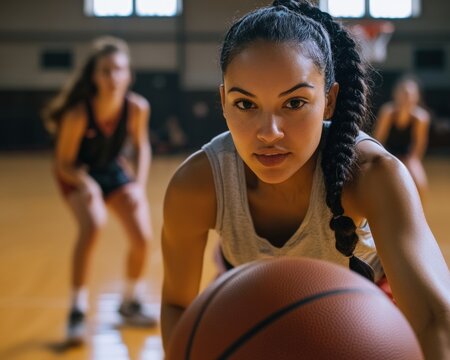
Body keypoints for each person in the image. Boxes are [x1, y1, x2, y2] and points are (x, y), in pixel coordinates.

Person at [160, 1, 450, 358]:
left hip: (371, 320)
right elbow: (177, 305)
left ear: (329, 101)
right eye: (246, 104)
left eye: (294, 103)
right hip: (255, 305)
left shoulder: (373, 175)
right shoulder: (196, 185)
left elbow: (434, 320)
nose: (269, 133)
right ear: (223, 101)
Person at [42, 36, 156, 345]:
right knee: (93, 225)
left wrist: (137, 186)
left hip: (111, 169)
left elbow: (142, 147)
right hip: (76, 173)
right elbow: (63, 163)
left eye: (118, 70)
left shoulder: (136, 108)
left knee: (143, 237)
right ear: (94, 76)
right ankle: (77, 310)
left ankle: (130, 303)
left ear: (128, 74)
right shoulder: (78, 114)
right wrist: (86, 183)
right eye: (105, 70)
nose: (112, 77)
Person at [374, 75, 430, 203]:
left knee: (420, 182)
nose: (407, 98)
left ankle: (416, 214)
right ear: (396, 94)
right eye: (404, 94)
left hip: (408, 155)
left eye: (410, 94)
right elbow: (378, 141)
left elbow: (419, 146)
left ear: (417, 97)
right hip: (387, 152)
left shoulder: (421, 118)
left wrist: (411, 162)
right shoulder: (387, 112)